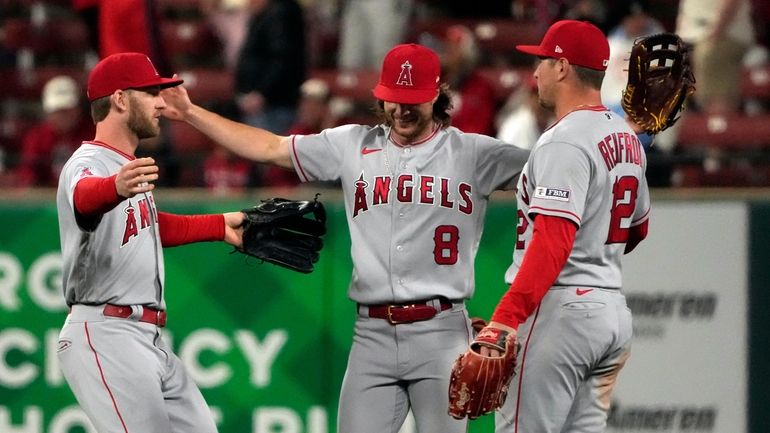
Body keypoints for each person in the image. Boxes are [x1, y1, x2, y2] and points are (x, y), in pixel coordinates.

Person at [161, 43, 530, 433]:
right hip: (372, 334)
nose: (401, 110)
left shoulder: (475, 153)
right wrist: (190, 112)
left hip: (441, 329)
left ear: (437, 95)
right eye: (393, 99)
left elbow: (556, 169)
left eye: (412, 101)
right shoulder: (353, 144)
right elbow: (270, 147)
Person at [470, 20, 651, 433]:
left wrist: (506, 317)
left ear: (564, 67)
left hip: (561, 313)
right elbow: (635, 231)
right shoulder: (627, 138)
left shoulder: (564, 141)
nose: (535, 73)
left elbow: (553, 241)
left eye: (543, 62)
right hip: (610, 314)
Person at [55, 52, 245, 433]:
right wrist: (114, 187)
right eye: (150, 93)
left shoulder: (126, 163)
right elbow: (83, 198)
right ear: (121, 100)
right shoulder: (88, 162)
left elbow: (151, 226)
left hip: (149, 337)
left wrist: (218, 224)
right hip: (106, 332)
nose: (161, 103)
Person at [235, 0, 306, 135]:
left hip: (273, 104)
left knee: (268, 151)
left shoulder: (281, 12)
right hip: (261, 101)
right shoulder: (264, 15)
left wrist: (261, 92)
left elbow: (283, 58)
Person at [16, 75, 95, 187]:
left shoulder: (93, 134)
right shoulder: (36, 138)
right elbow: (27, 176)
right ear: (48, 112)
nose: (63, 115)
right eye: (57, 110)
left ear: (78, 109)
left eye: (67, 110)